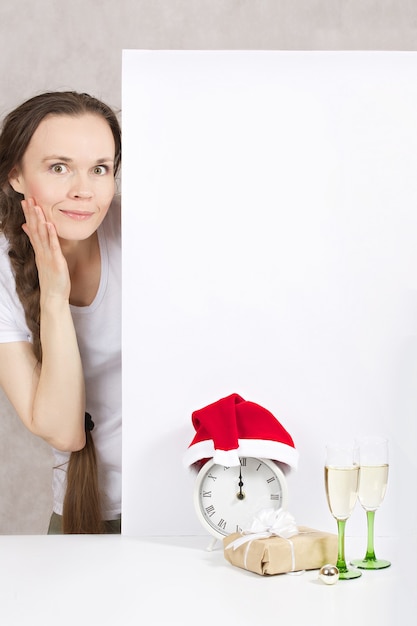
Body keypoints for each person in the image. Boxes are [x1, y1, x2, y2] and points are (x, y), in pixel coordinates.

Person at [0, 91, 122, 534]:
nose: (83, 190)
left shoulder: (141, 234)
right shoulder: (1, 270)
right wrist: (54, 296)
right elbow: (65, 432)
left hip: (185, 501)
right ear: (15, 174)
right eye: (58, 167)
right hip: (82, 512)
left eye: (99, 169)